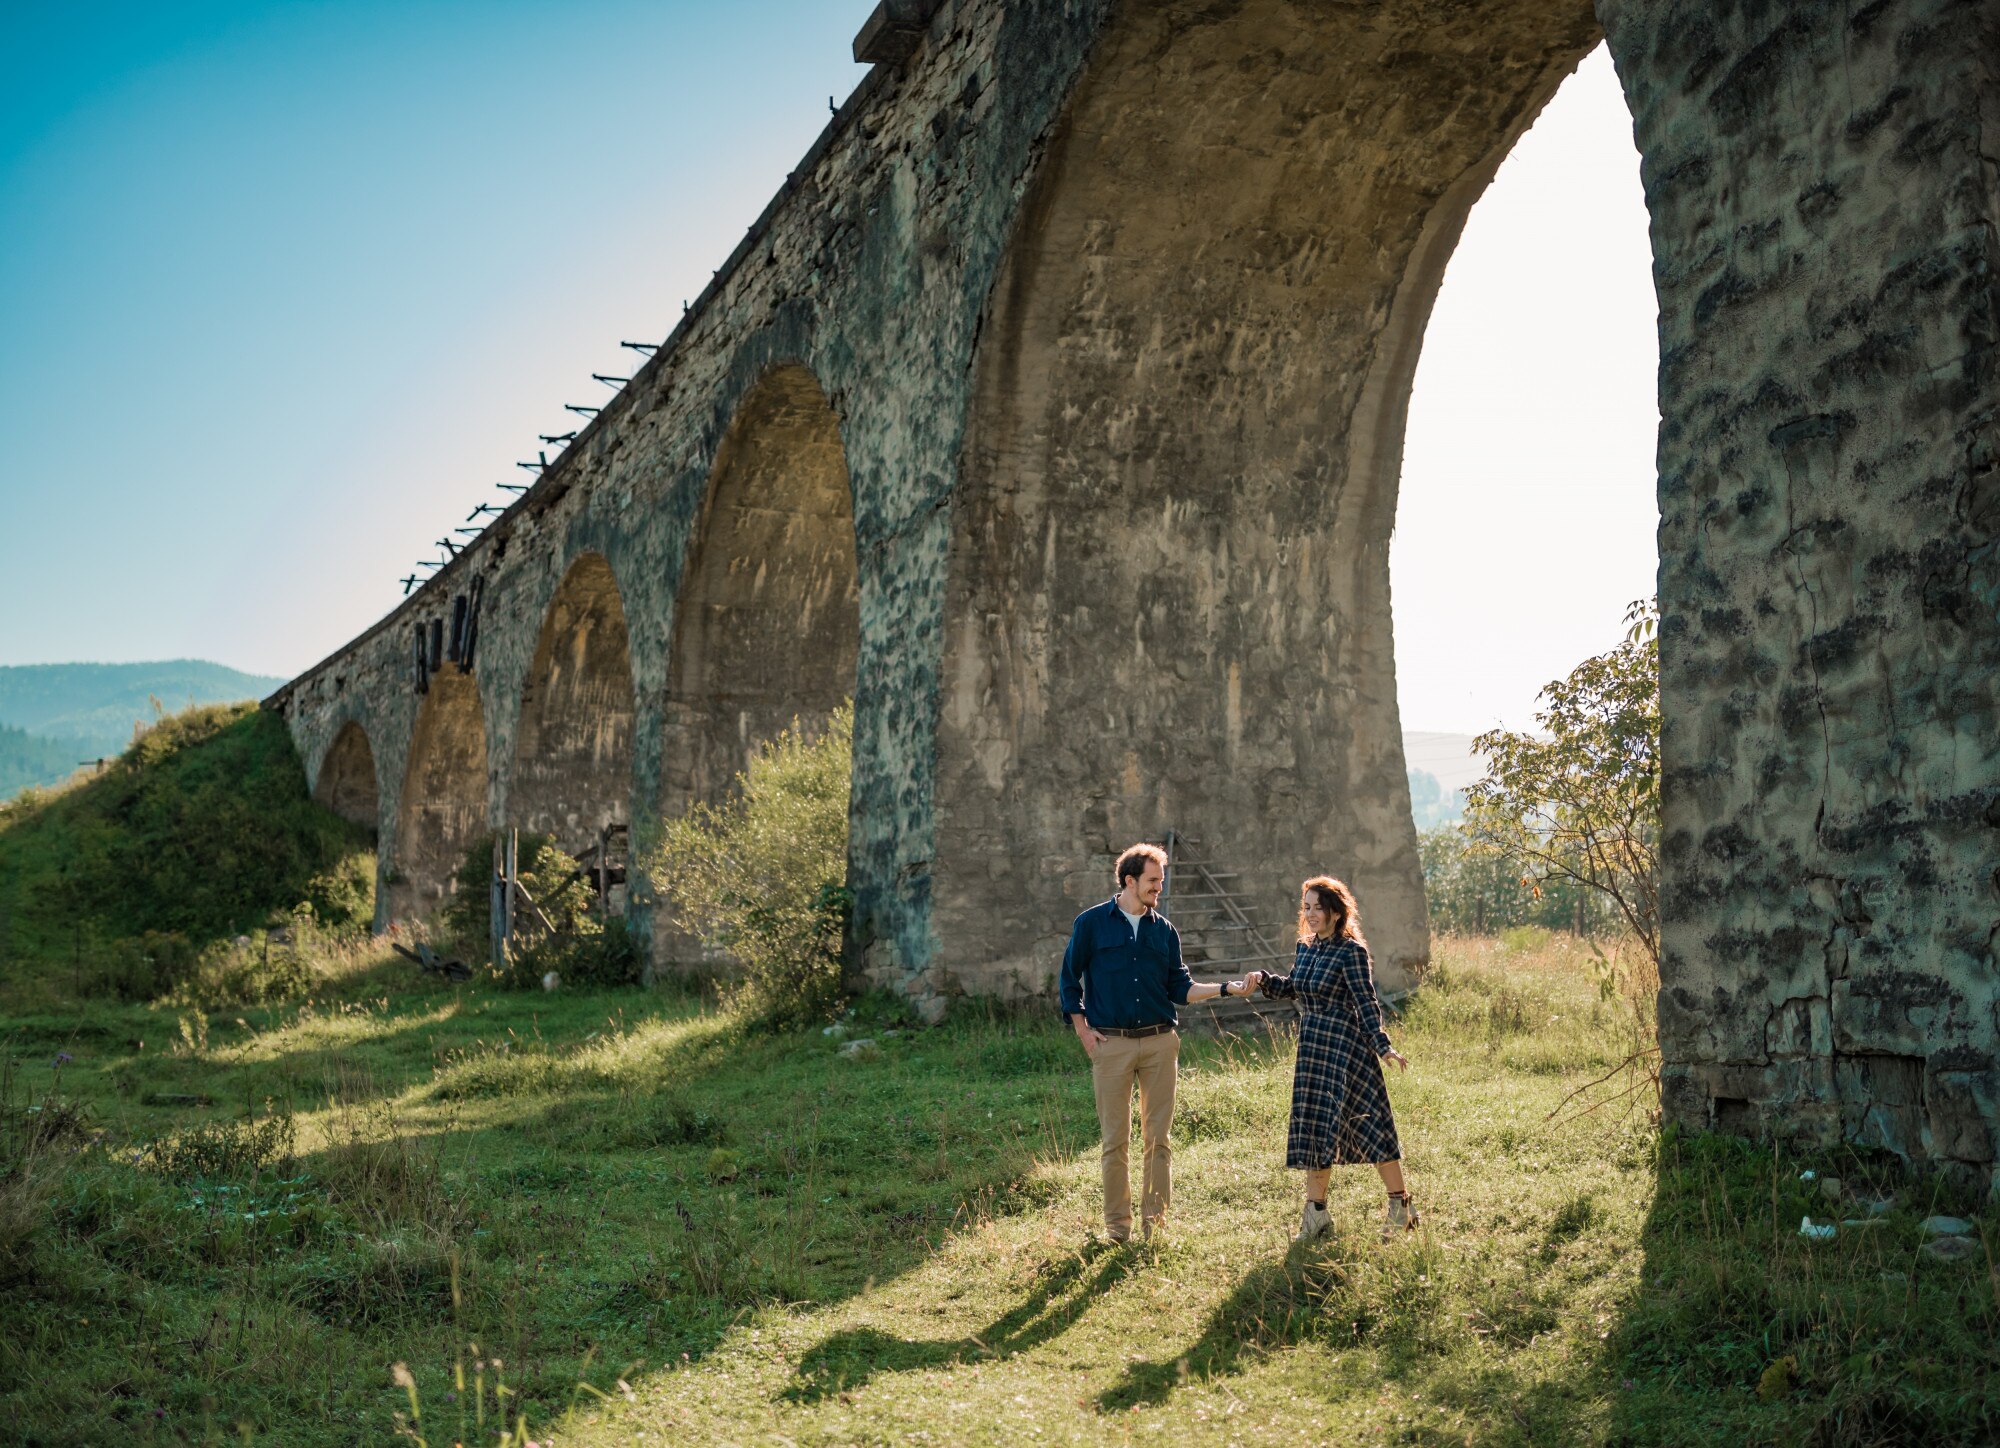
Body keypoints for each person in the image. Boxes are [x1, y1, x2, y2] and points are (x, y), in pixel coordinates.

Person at [1059, 842, 1251, 1242]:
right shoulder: (1091, 924)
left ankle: (1155, 1225)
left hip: (1161, 1044)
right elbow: (1068, 980)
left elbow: (1181, 988)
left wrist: (1225, 989)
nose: (1158, 890)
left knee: (1158, 1139)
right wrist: (1082, 1029)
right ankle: (1117, 1229)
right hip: (1111, 1045)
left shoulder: (1164, 930)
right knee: (1115, 1141)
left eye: (1160, 883)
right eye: (1152, 882)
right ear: (1129, 880)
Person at [1246, 875, 1415, 1243]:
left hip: (1347, 1051)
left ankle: (1401, 1208)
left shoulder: (1351, 952)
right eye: (1306, 907)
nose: (1310, 914)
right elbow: (1293, 986)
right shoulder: (1306, 948)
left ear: (1336, 912)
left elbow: (1366, 1001)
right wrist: (1262, 979)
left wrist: (1382, 1045)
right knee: (1316, 1129)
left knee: (1371, 1126)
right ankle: (1315, 1215)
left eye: (1317, 907)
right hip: (1314, 1052)